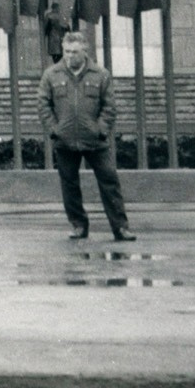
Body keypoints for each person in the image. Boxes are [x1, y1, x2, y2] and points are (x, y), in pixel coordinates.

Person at [39, 29, 133, 242]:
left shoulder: (101, 75)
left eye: (74, 52)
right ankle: (79, 225)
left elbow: (109, 107)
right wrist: (55, 129)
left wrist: (100, 130)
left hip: (95, 141)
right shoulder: (51, 75)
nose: (69, 56)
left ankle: (121, 228)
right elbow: (43, 104)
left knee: (110, 181)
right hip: (65, 141)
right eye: (66, 51)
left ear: (85, 52)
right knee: (69, 184)